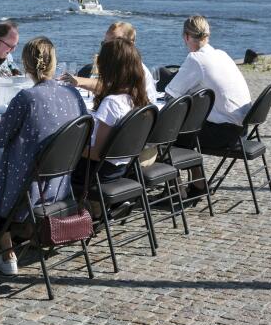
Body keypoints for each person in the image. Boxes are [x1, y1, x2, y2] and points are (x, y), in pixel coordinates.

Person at [0, 37, 88, 276]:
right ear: (54, 63)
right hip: (61, 184)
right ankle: (28, 237)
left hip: (30, 191)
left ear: (26, 66)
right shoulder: (74, 95)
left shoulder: (26, 98)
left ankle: (8, 254)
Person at [72, 38, 150, 200]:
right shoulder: (136, 97)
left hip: (98, 173)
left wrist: (71, 148)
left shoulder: (112, 103)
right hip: (121, 168)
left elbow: (97, 153)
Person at [164, 14, 253, 148]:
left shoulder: (196, 59)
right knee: (188, 126)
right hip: (242, 130)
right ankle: (194, 168)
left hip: (225, 134)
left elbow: (170, 96)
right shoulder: (222, 54)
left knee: (168, 133)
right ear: (207, 35)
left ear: (187, 36)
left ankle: (158, 166)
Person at [63, 21, 159, 103]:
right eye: (105, 43)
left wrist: (79, 81)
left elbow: (110, 87)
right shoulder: (115, 65)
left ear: (131, 44)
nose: (107, 47)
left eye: (114, 43)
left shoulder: (135, 69)